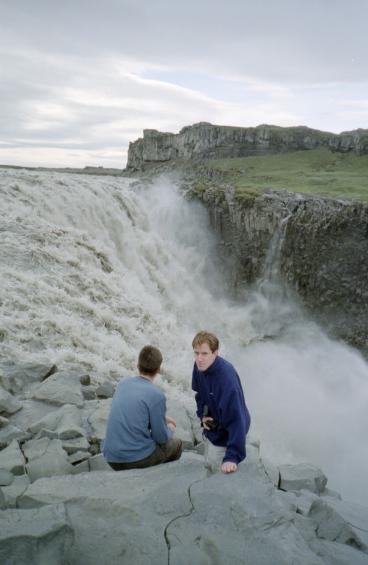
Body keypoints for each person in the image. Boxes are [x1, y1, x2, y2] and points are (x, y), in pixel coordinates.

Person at [102, 345, 182, 470]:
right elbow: (161, 438)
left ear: (137, 365)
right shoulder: (156, 394)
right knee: (176, 444)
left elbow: (134, 412)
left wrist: (162, 417)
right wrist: (170, 428)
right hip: (136, 460)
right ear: (158, 369)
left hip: (111, 458)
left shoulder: (123, 383)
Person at [191, 331, 251, 474]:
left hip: (229, 432)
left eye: (204, 353)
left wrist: (232, 457)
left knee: (219, 473)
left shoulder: (226, 380)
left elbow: (237, 419)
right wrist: (202, 416)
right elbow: (199, 394)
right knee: (209, 465)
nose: (199, 358)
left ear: (215, 353)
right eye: (196, 353)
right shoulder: (199, 367)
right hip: (213, 426)